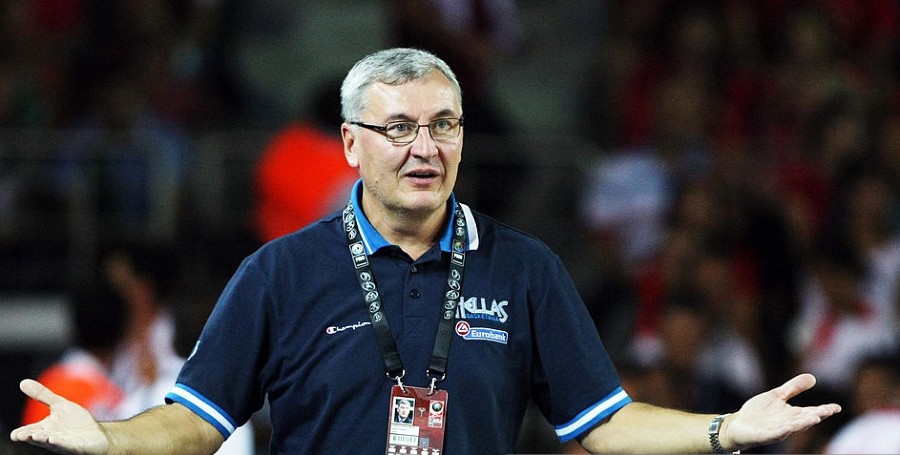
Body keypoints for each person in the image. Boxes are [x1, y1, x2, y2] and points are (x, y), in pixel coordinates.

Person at [10, 47, 840, 455]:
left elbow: (604, 424)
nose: (425, 147)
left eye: (444, 125)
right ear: (348, 144)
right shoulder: (280, 272)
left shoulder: (524, 269)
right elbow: (194, 424)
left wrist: (729, 428)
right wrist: (112, 440)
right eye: (398, 127)